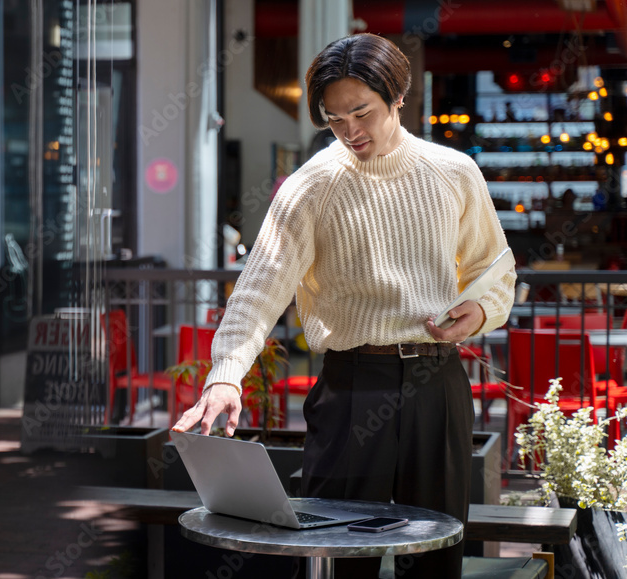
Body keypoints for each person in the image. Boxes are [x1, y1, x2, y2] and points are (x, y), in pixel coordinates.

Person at [172, 33, 515, 578]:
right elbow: (259, 289)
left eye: (362, 112)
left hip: (437, 386)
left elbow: (493, 269)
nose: (351, 131)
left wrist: (478, 309)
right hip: (353, 387)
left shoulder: (453, 172)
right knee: (338, 554)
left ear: (398, 97)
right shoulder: (313, 186)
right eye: (334, 120)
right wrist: (225, 375)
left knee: (437, 557)